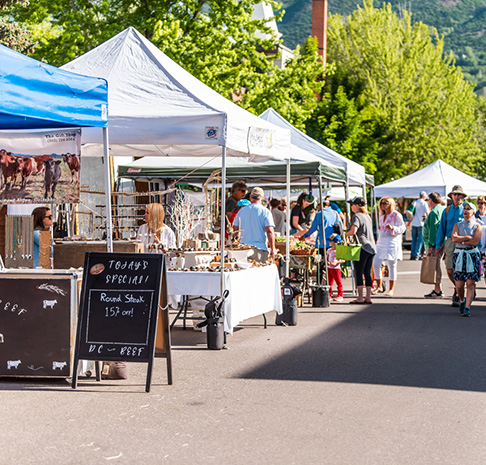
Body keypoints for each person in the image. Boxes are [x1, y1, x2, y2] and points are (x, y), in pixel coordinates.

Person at [436, 185, 465, 307]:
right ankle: (458, 288)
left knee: (461, 269)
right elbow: (441, 229)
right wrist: (438, 245)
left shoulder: (466, 209)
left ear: (462, 196)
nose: (457, 196)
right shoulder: (447, 210)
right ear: (451, 196)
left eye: (459, 194)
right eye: (455, 194)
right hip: (449, 241)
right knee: (449, 269)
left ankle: (458, 294)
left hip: (463, 242)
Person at [300, 197, 341, 283]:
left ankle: (319, 283)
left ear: (319, 205)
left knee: (321, 265)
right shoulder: (335, 213)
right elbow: (341, 226)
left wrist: (304, 236)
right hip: (333, 243)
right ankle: (331, 286)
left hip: (322, 243)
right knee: (332, 265)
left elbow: (312, 229)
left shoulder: (319, 214)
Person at [451, 201, 481, 317]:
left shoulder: (477, 226)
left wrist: (461, 239)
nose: (466, 210)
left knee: (470, 283)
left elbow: (475, 241)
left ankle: (468, 307)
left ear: (473, 212)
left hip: (472, 255)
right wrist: (467, 237)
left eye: (468, 209)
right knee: (459, 285)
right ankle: (462, 301)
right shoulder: (457, 225)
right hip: (459, 255)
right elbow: (454, 239)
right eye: (465, 208)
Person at [345, 196, 376, 304]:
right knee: (367, 272)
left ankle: (360, 298)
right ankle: (368, 297)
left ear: (357, 206)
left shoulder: (357, 216)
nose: (351, 206)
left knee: (359, 272)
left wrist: (345, 233)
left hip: (362, 246)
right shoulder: (367, 216)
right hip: (371, 247)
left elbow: (353, 231)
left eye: (352, 204)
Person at [372, 197, 406, 296]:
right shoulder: (381, 215)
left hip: (392, 241)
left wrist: (393, 228)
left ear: (390, 204)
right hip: (381, 241)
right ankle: (379, 286)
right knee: (376, 263)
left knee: (392, 265)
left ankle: (391, 289)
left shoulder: (396, 214)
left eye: (385, 203)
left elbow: (403, 227)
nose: (383, 205)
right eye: (381, 203)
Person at [233, 187, 276, 263]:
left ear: (250, 197)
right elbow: (269, 231)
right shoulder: (265, 211)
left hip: (244, 250)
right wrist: (273, 249)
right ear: (262, 199)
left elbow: (235, 229)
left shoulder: (241, 211)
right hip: (259, 249)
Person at [423, 192, 446, 298]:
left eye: (428, 200)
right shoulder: (442, 209)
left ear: (431, 200)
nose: (428, 202)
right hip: (442, 241)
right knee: (437, 265)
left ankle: (438, 291)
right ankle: (438, 289)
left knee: (435, 265)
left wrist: (430, 246)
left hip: (435, 243)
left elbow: (433, 230)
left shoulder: (434, 212)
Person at [410, 191, 429, 260]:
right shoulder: (424, 203)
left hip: (414, 223)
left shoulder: (414, 202)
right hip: (421, 223)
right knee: (420, 240)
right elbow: (427, 213)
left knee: (414, 240)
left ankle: (412, 254)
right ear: (424, 196)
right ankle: (417, 255)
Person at [327, 233, 345, 302]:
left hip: (336, 268)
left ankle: (340, 295)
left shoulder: (339, 250)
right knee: (329, 282)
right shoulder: (329, 250)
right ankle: (329, 294)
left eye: (330, 241)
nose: (329, 242)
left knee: (338, 282)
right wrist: (328, 262)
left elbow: (343, 260)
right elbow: (327, 258)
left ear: (335, 242)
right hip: (329, 268)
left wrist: (336, 262)